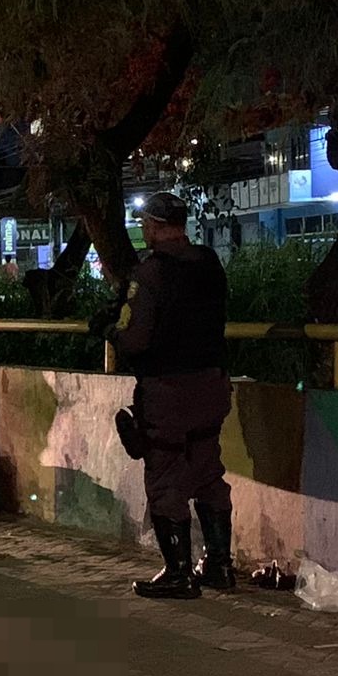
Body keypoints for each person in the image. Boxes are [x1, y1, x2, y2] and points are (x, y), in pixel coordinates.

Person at [105, 191, 234, 599]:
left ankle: (178, 573)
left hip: (169, 389)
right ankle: (219, 566)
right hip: (212, 383)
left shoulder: (151, 274)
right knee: (208, 471)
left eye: (145, 222)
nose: (142, 228)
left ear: (156, 226)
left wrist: (111, 331)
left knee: (166, 478)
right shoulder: (209, 262)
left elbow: (137, 339)